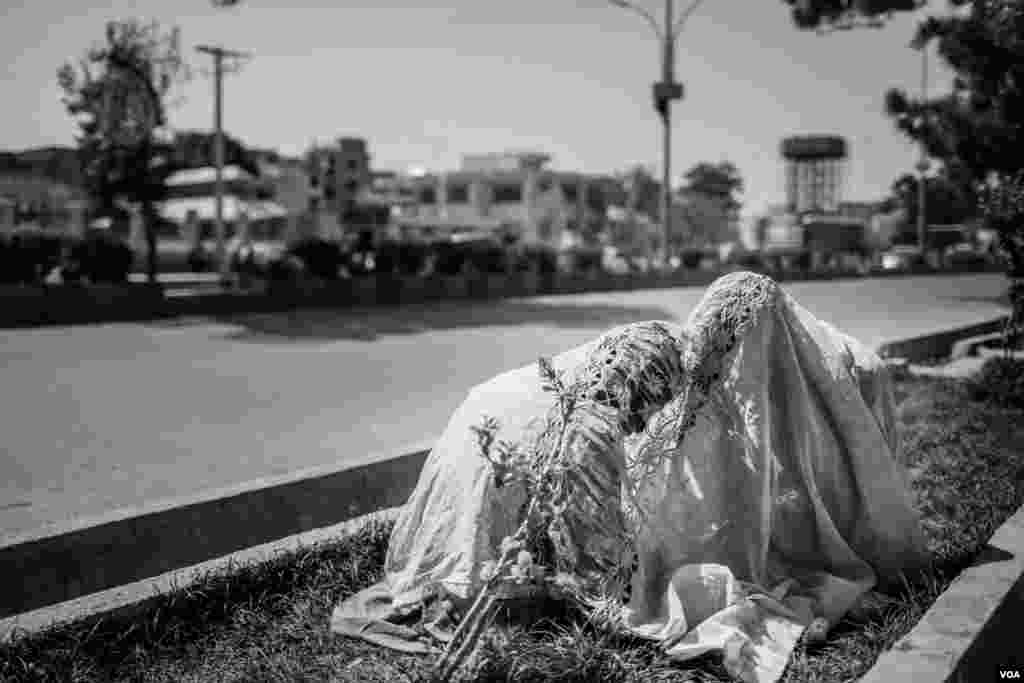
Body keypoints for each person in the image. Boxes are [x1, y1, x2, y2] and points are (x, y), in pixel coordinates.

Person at [332, 271, 929, 682]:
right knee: (533, 562)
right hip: (511, 454)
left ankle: (489, 581)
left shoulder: (658, 348)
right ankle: (492, 590)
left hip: (495, 425)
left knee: (516, 551)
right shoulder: (650, 379)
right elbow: (601, 460)